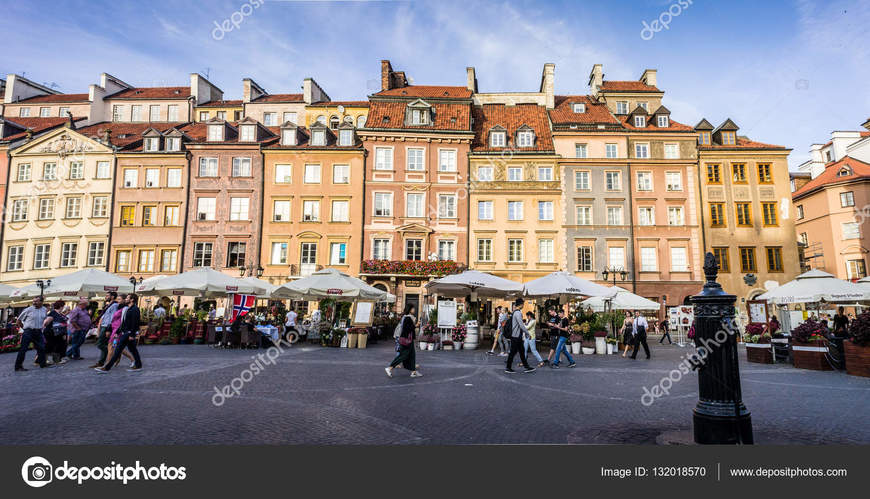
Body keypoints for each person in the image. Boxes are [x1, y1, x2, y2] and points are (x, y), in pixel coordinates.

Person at [95, 293, 143, 373]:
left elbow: (135, 323)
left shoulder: (135, 309)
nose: (126, 299)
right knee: (133, 350)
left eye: (128, 298)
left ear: (132, 300)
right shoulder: (129, 309)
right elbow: (123, 322)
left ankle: (107, 368)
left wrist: (132, 334)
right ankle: (138, 365)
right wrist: (118, 331)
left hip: (128, 333)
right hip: (125, 332)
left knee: (118, 350)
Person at [14, 296, 52, 371]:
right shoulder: (28, 310)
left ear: (41, 302)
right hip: (28, 331)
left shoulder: (44, 309)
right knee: (23, 349)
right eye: (33, 301)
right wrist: (25, 329)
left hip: (38, 331)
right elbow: (18, 321)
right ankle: (18, 366)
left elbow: (44, 319)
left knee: (42, 348)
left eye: (36, 301)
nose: (34, 302)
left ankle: (43, 364)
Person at [386, 304, 422, 378]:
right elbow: (407, 329)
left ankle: (413, 372)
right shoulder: (407, 318)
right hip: (406, 340)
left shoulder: (407, 317)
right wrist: (416, 325)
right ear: (410, 309)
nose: (414, 310)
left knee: (412, 355)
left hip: (409, 339)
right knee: (403, 355)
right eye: (413, 308)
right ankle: (389, 368)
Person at [504, 299, 535, 373]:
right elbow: (521, 325)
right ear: (520, 304)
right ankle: (508, 367)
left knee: (521, 351)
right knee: (513, 352)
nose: (523, 306)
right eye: (523, 304)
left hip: (517, 336)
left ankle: (526, 367)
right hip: (516, 336)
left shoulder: (515, 312)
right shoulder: (518, 313)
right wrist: (527, 333)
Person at [91, 292, 119, 368]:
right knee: (105, 344)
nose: (106, 297)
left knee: (100, 344)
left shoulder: (114, 305)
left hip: (106, 327)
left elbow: (112, 318)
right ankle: (102, 361)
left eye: (107, 295)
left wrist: (108, 329)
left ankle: (112, 355)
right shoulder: (108, 305)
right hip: (103, 326)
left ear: (112, 297)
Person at [106, 294, 134, 366]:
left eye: (119, 299)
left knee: (111, 345)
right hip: (114, 329)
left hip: (118, 330)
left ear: (124, 300)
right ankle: (133, 359)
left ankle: (107, 364)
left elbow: (125, 320)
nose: (117, 301)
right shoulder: (118, 307)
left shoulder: (125, 309)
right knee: (117, 346)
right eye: (117, 299)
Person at [43, 300, 69, 365]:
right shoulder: (53, 313)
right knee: (50, 346)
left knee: (59, 346)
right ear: (60, 306)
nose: (63, 307)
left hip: (58, 334)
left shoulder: (60, 313)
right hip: (51, 333)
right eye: (63, 306)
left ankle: (57, 360)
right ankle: (48, 360)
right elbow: (46, 322)